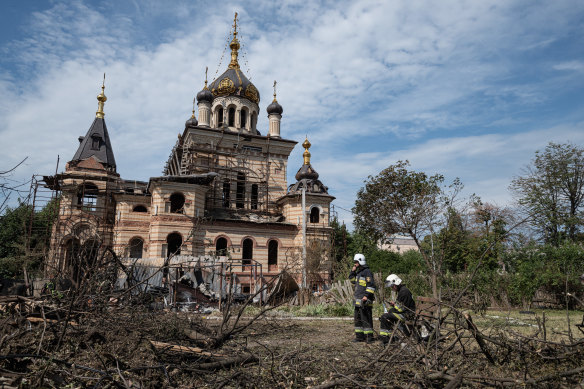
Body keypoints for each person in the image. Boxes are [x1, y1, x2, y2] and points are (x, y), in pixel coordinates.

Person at [379, 274, 415, 344]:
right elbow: (402, 306)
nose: (392, 288)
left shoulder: (404, 292)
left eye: (392, 286)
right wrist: (394, 305)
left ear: (396, 283)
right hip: (405, 313)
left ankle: (386, 340)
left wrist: (395, 305)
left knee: (384, 317)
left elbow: (401, 309)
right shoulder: (402, 290)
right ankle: (393, 335)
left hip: (407, 315)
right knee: (390, 311)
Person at [349, 253, 376, 343]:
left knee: (366, 318)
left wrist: (366, 296)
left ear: (360, 261)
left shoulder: (367, 272)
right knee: (358, 318)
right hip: (358, 299)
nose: (355, 264)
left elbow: (371, 285)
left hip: (365, 299)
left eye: (356, 262)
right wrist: (353, 271)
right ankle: (359, 337)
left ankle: (369, 337)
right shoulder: (359, 272)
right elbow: (352, 281)